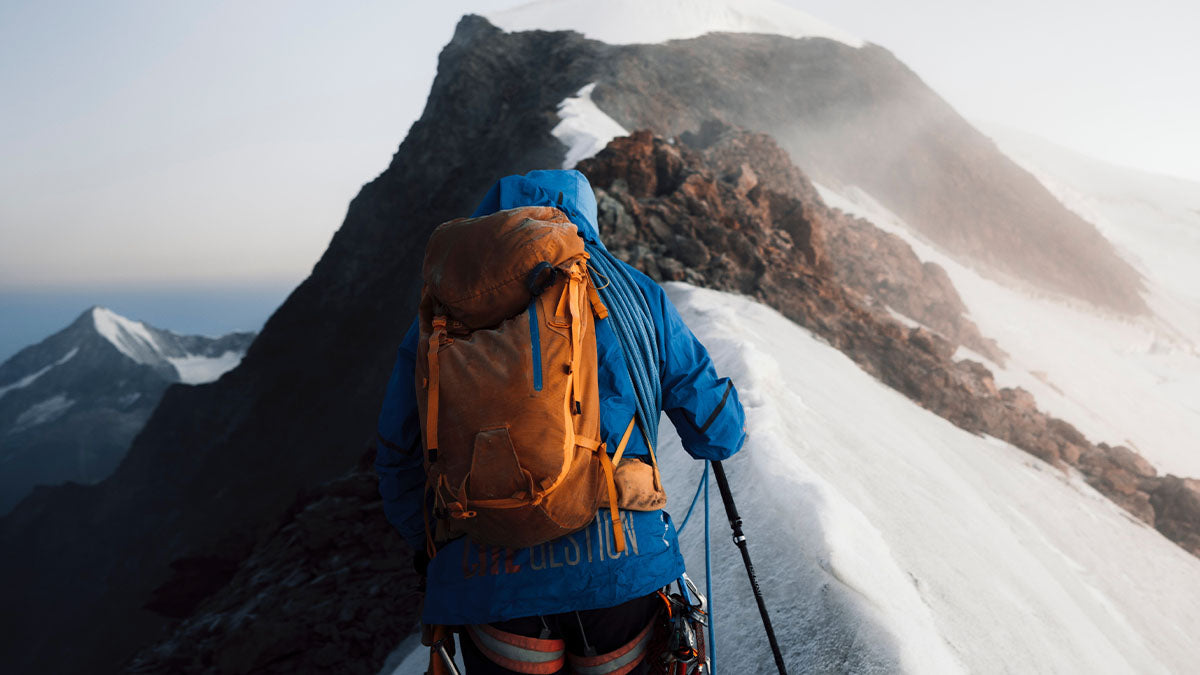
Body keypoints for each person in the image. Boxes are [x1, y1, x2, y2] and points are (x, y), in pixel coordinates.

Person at [375, 169, 746, 674]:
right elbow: (718, 434)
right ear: (587, 217)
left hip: (487, 573)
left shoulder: (444, 310)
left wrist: (433, 547)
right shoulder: (634, 292)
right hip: (621, 563)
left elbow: (399, 456)